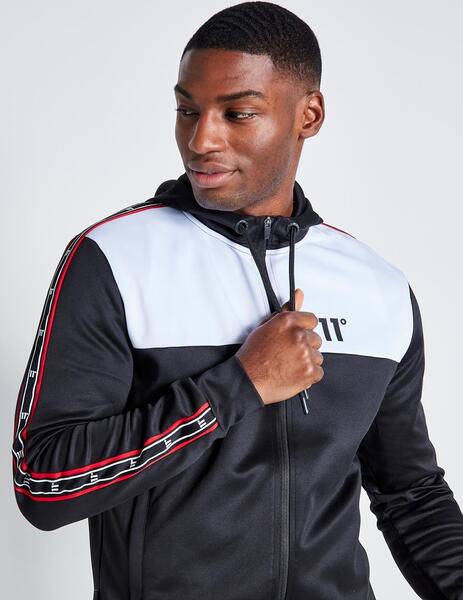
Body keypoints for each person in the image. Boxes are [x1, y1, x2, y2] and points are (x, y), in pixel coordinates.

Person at [11, 2, 463, 599]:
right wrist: (237, 387)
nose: (201, 139)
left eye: (238, 113)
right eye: (187, 111)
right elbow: (44, 483)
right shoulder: (113, 259)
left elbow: (412, 494)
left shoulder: (376, 285)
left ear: (308, 114)